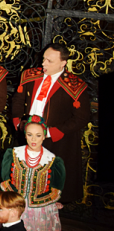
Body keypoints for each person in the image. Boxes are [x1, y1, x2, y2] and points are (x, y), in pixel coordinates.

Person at [11, 43, 90, 203]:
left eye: (49, 61)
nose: (43, 64)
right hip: (25, 136)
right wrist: (18, 122)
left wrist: (52, 132)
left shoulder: (75, 85)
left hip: (55, 143)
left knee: (47, 186)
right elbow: (18, 100)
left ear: (63, 63)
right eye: (43, 59)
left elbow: (82, 118)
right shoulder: (29, 75)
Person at [0, 116, 64, 231]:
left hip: (40, 213)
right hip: (16, 209)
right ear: (25, 135)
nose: (34, 139)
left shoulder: (53, 160)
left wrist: (47, 200)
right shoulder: (13, 154)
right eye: (30, 135)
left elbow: (56, 189)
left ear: (44, 136)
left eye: (38, 135)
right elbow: (5, 181)